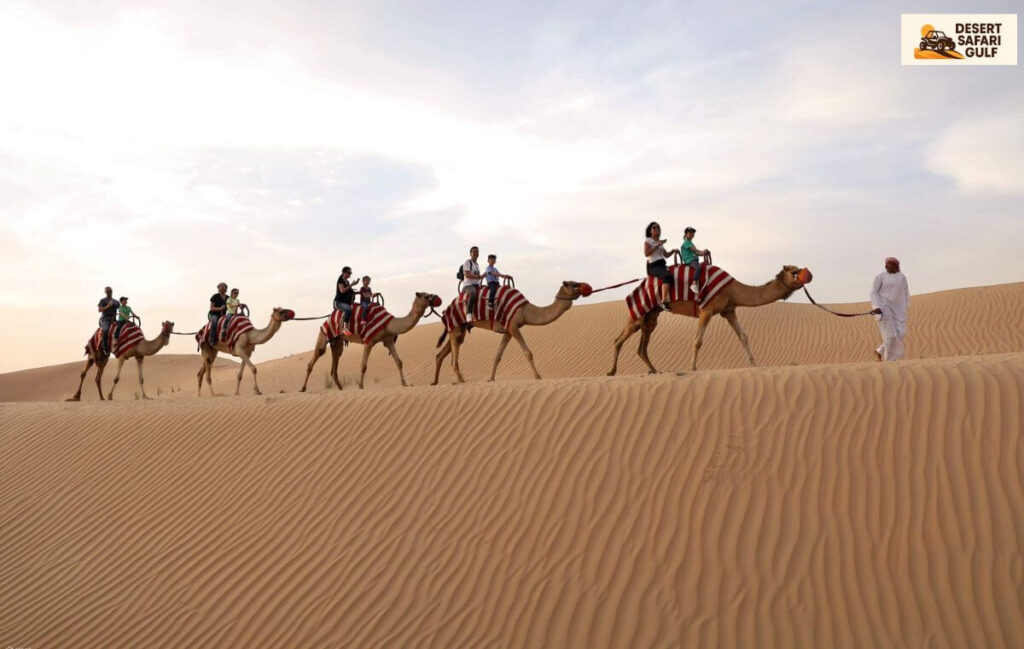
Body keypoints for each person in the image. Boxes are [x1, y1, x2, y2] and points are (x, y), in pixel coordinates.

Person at [870, 257, 910, 361]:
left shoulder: (902, 277)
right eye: (886, 264)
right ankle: (889, 361)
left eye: (889, 264)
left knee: (900, 334)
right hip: (884, 309)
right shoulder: (880, 277)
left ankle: (880, 350)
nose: (886, 266)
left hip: (899, 310)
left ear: (895, 266)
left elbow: (906, 292)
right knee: (891, 335)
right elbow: (873, 292)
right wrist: (876, 306)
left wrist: (906, 306)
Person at [644, 222, 673, 310]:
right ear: (650, 231)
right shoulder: (648, 241)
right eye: (654, 227)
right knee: (667, 276)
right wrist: (657, 245)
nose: (656, 228)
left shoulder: (659, 242)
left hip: (662, 265)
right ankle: (664, 301)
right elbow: (646, 253)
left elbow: (666, 255)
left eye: (658, 227)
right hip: (653, 266)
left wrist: (673, 251)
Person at [680, 226, 709, 293]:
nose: (691, 234)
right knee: (698, 267)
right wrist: (703, 252)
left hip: (693, 259)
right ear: (686, 234)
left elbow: (697, 252)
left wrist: (703, 253)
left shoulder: (690, 243)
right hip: (689, 260)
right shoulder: (686, 242)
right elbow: (695, 251)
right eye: (690, 233)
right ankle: (694, 283)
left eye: (692, 233)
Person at [462, 246, 483, 316]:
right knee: (473, 292)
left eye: (477, 252)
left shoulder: (477, 265)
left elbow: (478, 278)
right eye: (474, 251)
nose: (476, 253)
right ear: (470, 254)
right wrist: (479, 276)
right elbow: (467, 274)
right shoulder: (468, 262)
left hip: (477, 285)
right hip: (468, 286)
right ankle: (469, 313)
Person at [97, 286, 118, 355]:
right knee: (105, 330)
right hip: (105, 319)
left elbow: (121, 309)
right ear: (105, 292)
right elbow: (99, 310)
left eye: (110, 291)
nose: (109, 293)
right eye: (108, 291)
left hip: (114, 319)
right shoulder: (103, 300)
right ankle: (105, 348)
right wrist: (107, 306)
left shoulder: (116, 301)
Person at [334, 266, 355, 334]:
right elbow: (342, 291)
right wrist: (351, 285)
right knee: (348, 309)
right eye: (348, 272)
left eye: (350, 273)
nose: (349, 274)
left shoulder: (347, 281)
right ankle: (345, 327)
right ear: (343, 272)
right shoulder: (340, 280)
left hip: (346, 302)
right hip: (339, 302)